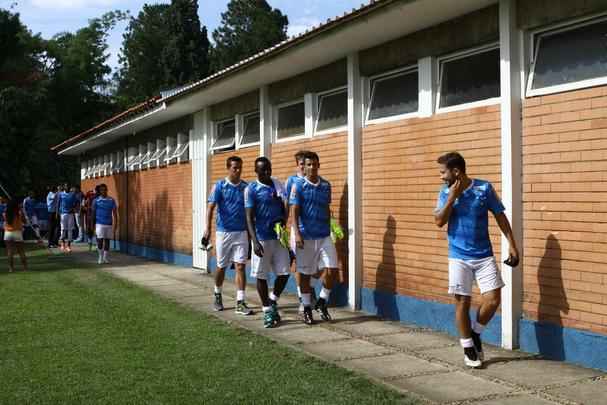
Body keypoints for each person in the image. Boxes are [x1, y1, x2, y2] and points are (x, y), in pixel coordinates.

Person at [434, 152, 519, 368]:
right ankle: (467, 347)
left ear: (456, 171)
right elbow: (439, 221)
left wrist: (512, 244)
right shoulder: (445, 193)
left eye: (443, 172)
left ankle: (475, 333)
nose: (441, 177)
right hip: (458, 256)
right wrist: (452, 197)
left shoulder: (484, 188)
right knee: (463, 301)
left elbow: (500, 215)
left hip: (484, 255)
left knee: (493, 299)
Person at [290, 151, 339, 325]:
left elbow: (326, 208)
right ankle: (306, 309)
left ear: (319, 165)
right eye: (308, 164)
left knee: (332, 269)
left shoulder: (326, 185)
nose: (311, 167)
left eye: (314, 164)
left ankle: (322, 301)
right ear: (305, 166)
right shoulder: (298, 185)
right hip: (306, 236)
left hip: (324, 235)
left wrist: (333, 226)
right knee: (304, 274)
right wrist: (297, 234)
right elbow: (294, 211)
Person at [203, 156, 253, 316]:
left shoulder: (246, 187)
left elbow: (250, 212)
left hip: (241, 233)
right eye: (235, 168)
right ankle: (217, 294)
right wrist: (207, 229)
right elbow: (210, 208)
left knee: (240, 266)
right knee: (221, 266)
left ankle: (240, 302)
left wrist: (251, 234)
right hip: (223, 232)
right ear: (228, 168)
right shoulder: (220, 186)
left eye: (240, 168)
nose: (238, 171)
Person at [245, 157, 291, 328]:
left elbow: (285, 204)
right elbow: (249, 218)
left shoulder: (277, 184)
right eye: (263, 170)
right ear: (256, 171)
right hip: (262, 238)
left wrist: (284, 221)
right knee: (261, 275)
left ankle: (272, 300)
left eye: (269, 169)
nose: (267, 172)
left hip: (278, 238)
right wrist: (254, 241)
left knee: (285, 272)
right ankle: (266, 311)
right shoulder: (251, 189)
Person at [91, 183, 117, 264]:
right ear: (99, 191)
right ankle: (100, 257)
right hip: (99, 224)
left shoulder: (111, 200)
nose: (104, 191)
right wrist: (92, 225)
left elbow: (115, 213)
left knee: (107, 241)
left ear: (107, 190)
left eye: (105, 190)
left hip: (109, 224)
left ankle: (105, 258)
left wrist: (116, 224)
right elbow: (93, 214)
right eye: (102, 190)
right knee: (99, 241)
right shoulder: (96, 201)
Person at [3, 199, 28, 272]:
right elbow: (25, 221)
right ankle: (25, 268)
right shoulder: (19, 213)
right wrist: (22, 210)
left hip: (8, 232)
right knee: (21, 251)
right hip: (17, 232)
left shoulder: (5, 213)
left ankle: (11, 268)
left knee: (10, 251)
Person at [58, 185, 78, 252]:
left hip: (70, 214)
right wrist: (57, 213)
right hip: (63, 214)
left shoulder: (72, 194)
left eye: (68, 187)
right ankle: (62, 244)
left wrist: (73, 208)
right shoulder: (61, 194)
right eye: (66, 186)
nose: (67, 188)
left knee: (70, 230)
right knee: (63, 230)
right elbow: (58, 203)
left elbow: (76, 203)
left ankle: (68, 246)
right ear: (64, 187)